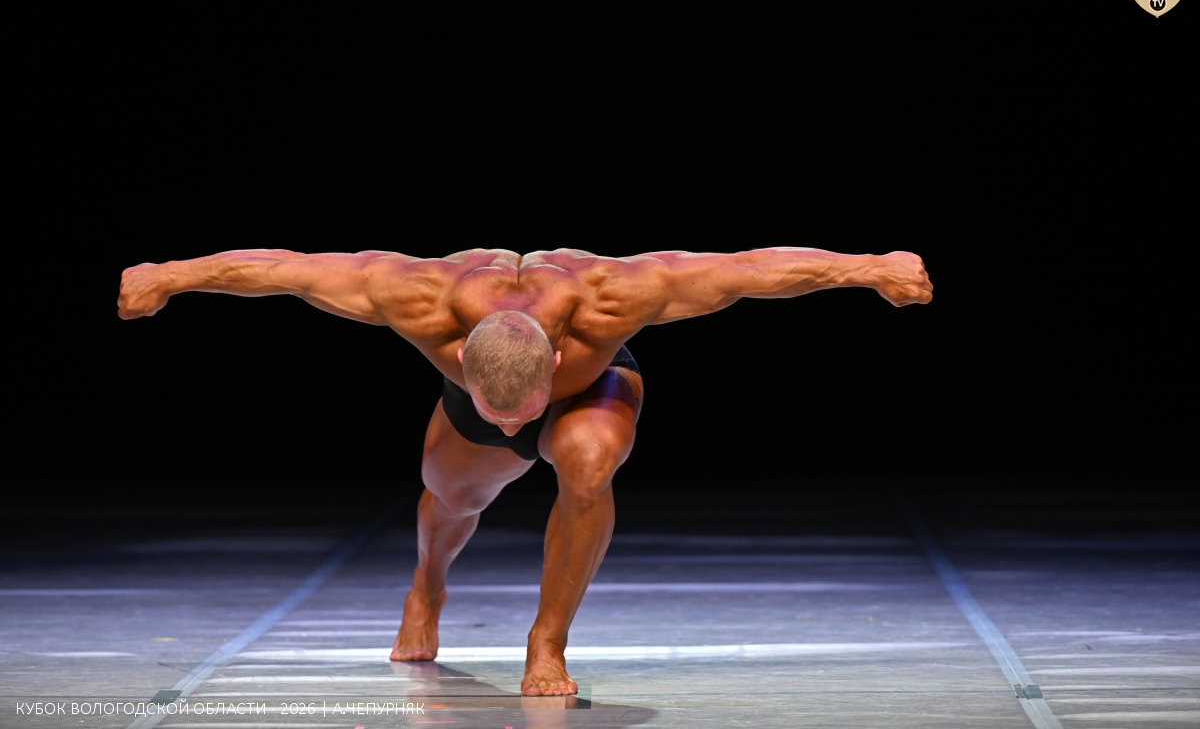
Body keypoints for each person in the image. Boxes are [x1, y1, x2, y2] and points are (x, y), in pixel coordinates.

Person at [117, 246, 933, 695]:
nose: (516, 427)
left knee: (586, 463)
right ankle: (427, 586)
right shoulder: (418, 298)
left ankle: (547, 642)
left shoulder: (611, 299)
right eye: (499, 413)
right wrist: (170, 275)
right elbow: (287, 270)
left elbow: (745, 271)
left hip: (594, 391)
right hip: (483, 398)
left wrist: (868, 266)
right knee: (451, 494)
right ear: (459, 358)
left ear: (554, 361)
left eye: (523, 411)